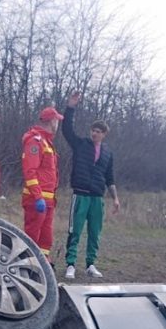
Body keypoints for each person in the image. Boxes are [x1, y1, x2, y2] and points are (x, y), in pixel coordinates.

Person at [61, 91, 120, 280]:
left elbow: (109, 177)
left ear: (103, 134)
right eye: (93, 130)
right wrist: (71, 107)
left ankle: (90, 264)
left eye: (98, 131)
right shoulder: (81, 144)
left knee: (95, 233)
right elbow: (67, 130)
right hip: (81, 194)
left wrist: (115, 199)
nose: (94, 133)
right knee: (75, 231)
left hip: (97, 197)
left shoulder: (107, 153)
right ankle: (70, 264)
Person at [21, 107, 64, 264]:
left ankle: (44, 262)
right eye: (57, 120)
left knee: (46, 237)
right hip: (36, 200)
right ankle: (28, 264)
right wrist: (38, 196)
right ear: (52, 121)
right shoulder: (35, 141)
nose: (58, 124)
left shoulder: (47, 142)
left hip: (48, 200)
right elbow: (30, 171)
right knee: (32, 235)